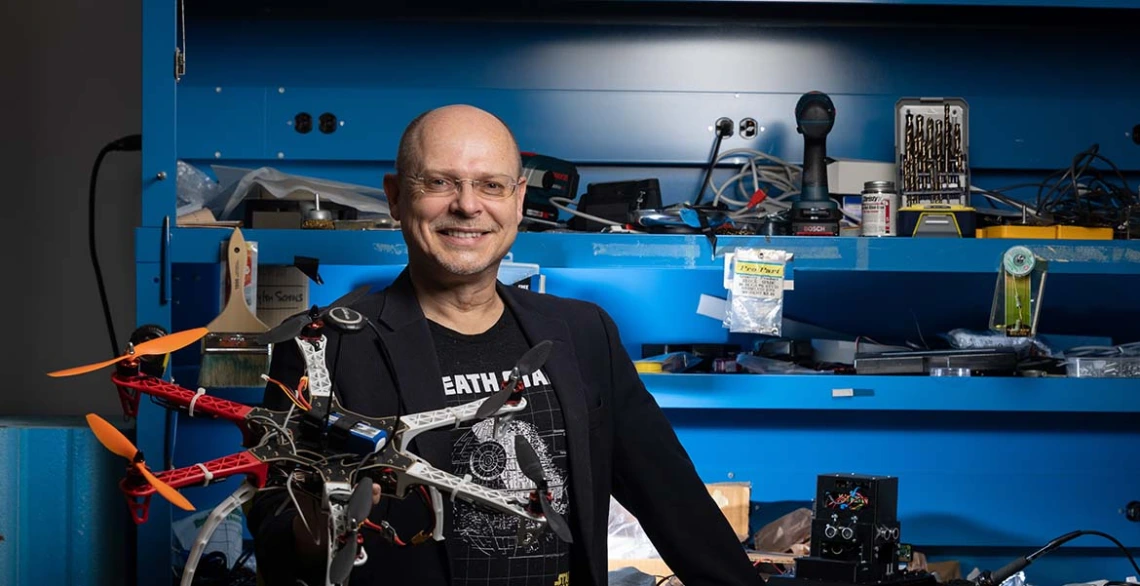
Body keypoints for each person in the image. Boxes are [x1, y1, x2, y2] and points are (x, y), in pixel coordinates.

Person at [247, 104, 760, 586]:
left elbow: (675, 502)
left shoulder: (583, 334)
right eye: (439, 182)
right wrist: (317, 527)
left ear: (517, 202)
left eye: (490, 185)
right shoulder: (325, 345)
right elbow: (274, 545)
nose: (468, 205)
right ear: (396, 196)